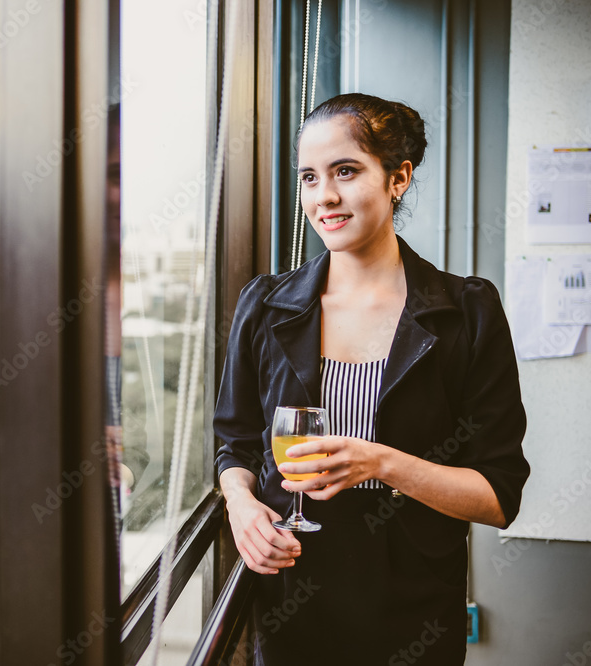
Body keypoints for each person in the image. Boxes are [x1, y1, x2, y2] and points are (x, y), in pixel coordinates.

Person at [214, 93, 529, 664]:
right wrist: (242, 505)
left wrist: (380, 462)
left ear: (398, 177)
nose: (324, 196)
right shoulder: (264, 305)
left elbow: (498, 496)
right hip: (290, 600)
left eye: (346, 171)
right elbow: (233, 445)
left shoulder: (468, 311)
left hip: (412, 610)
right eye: (309, 177)